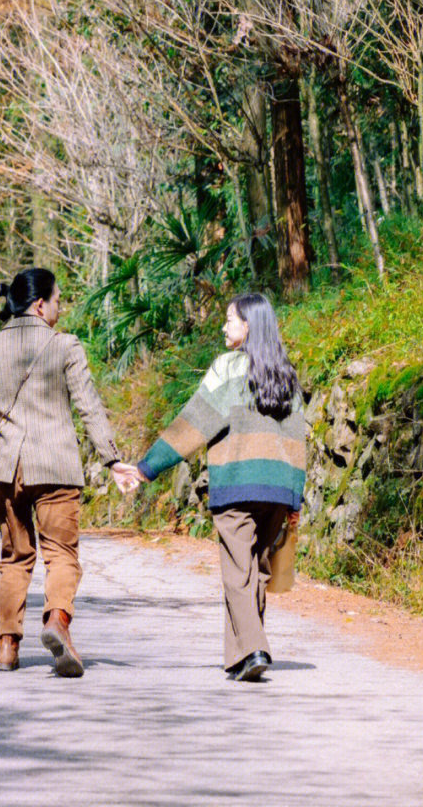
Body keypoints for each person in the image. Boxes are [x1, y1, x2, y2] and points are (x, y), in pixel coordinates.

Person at [0, 267, 139, 675]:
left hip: (6, 469)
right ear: (40, 305)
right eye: (58, 301)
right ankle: (57, 621)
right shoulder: (66, 346)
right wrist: (112, 459)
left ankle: (7, 647)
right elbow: (89, 406)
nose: (60, 308)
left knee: (13, 557)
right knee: (61, 555)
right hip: (56, 465)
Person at [133, 291, 305, 683]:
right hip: (277, 490)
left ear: (248, 326)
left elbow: (195, 422)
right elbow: (299, 441)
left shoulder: (229, 367)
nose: (224, 326)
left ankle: (255, 648)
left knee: (236, 571)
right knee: (256, 571)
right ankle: (241, 659)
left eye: (230, 319)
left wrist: (148, 466)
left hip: (238, 485)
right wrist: (296, 496)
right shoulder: (286, 374)